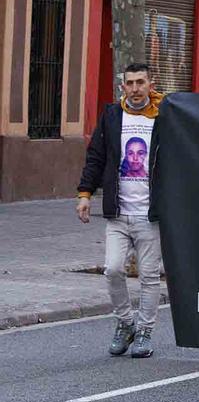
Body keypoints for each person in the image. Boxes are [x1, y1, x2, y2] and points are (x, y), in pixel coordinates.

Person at [76, 63, 164, 359]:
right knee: (113, 270)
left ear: (151, 85)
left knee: (150, 277)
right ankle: (126, 322)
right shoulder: (112, 116)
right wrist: (85, 194)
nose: (136, 88)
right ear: (122, 87)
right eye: (130, 83)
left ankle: (145, 331)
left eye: (141, 82)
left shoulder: (163, 116)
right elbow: (96, 156)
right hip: (117, 212)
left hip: (149, 215)